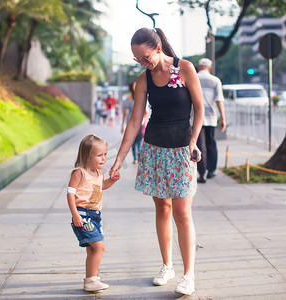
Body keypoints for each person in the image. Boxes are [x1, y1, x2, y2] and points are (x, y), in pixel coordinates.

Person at [109, 27, 204, 295]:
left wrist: (194, 140)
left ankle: (189, 274)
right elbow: (134, 121)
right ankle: (167, 266)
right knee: (162, 209)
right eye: (137, 59)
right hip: (153, 150)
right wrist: (119, 160)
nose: (142, 63)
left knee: (183, 213)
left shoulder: (184, 68)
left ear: (158, 48)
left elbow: (200, 109)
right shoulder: (144, 80)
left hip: (182, 149)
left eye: (145, 57)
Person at [67, 134, 120, 293]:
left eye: (105, 154)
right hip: (83, 215)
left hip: (95, 216)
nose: (103, 159)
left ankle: (90, 279)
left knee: (92, 249)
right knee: (99, 247)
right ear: (86, 156)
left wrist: (112, 180)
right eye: (99, 155)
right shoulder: (79, 173)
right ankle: (91, 280)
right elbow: (70, 194)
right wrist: (75, 214)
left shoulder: (99, 173)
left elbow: (101, 186)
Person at [196, 58, 226, 183]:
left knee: (197, 144)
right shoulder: (215, 80)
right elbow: (219, 100)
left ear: (198, 67)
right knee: (210, 142)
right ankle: (212, 170)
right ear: (210, 68)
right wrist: (223, 117)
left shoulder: (194, 77)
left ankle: (201, 172)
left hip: (195, 117)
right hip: (210, 116)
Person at [121, 82, 143, 164]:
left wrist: (122, 125)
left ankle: (135, 158)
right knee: (139, 141)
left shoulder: (128, 99)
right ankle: (139, 153)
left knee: (132, 141)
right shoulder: (140, 97)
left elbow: (125, 113)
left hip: (131, 122)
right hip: (140, 121)